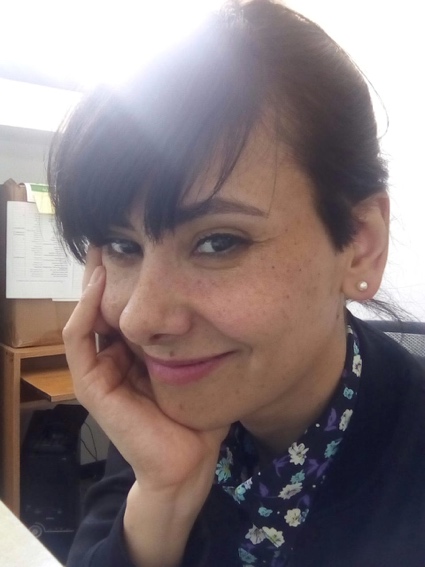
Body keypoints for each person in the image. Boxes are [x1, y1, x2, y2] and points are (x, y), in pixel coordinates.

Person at [48, 1, 425, 566]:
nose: (139, 320)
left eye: (219, 241)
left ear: (361, 244)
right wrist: (163, 500)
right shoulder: (172, 403)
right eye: (123, 246)